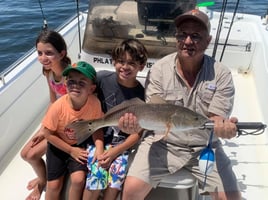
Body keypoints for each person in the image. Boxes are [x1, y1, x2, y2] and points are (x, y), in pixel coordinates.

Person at [119, 9, 241, 200]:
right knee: (130, 191)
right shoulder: (159, 69)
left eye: (196, 36)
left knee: (232, 198)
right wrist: (133, 125)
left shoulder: (222, 74)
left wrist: (223, 128)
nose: (188, 41)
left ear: (208, 41)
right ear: (176, 38)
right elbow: (153, 114)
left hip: (205, 145)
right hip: (164, 143)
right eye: (182, 34)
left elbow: (216, 118)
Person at [82, 39, 148, 200]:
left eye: (131, 63)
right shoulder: (101, 79)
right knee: (97, 174)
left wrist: (114, 153)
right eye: (121, 61)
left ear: (142, 66)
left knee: (115, 180)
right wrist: (100, 151)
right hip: (96, 140)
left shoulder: (142, 94)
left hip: (121, 147)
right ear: (113, 62)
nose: (125, 67)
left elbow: (138, 133)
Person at [20, 30, 71, 200]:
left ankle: (44, 181)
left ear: (61, 53)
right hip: (53, 122)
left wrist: (48, 130)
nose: (43, 58)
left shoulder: (70, 76)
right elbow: (52, 102)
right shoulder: (48, 73)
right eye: (40, 53)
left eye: (49, 53)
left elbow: (74, 110)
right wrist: (43, 127)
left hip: (67, 126)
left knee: (32, 154)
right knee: (25, 154)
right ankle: (42, 179)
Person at [42, 61, 104, 200]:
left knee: (78, 180)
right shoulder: (58, 107)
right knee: (53, 186)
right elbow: (48, 134)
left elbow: (96, 128)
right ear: (65, 83)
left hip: (79, 143)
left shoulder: (95, 103)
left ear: (91, 88)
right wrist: (70, 151)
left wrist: (99, 148)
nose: (75, 85)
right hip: (57, 146)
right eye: (71, 82)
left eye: (82, 83)